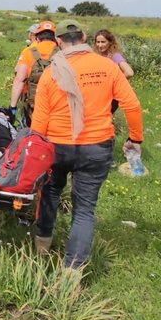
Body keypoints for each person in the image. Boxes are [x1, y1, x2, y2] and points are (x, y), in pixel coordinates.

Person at [30, 19, 144, 269]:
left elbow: (40, 117)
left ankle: (42, 248)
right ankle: (71, 272)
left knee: (49, 194)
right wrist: (135, 138)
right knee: (83, 210)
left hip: (56, 146)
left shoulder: (51, 72)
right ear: (83, 37)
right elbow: (132, 105)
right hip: (96, 146)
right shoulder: (107, 67)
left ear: (58, 41)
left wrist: (35, 149)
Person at [10, 21, 58, 126]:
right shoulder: (62, 53)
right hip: (56, 106)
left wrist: (12, 107)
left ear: (37, 38)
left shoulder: (28, 52)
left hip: (33, 106)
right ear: (55, 37)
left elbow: (20, 79)